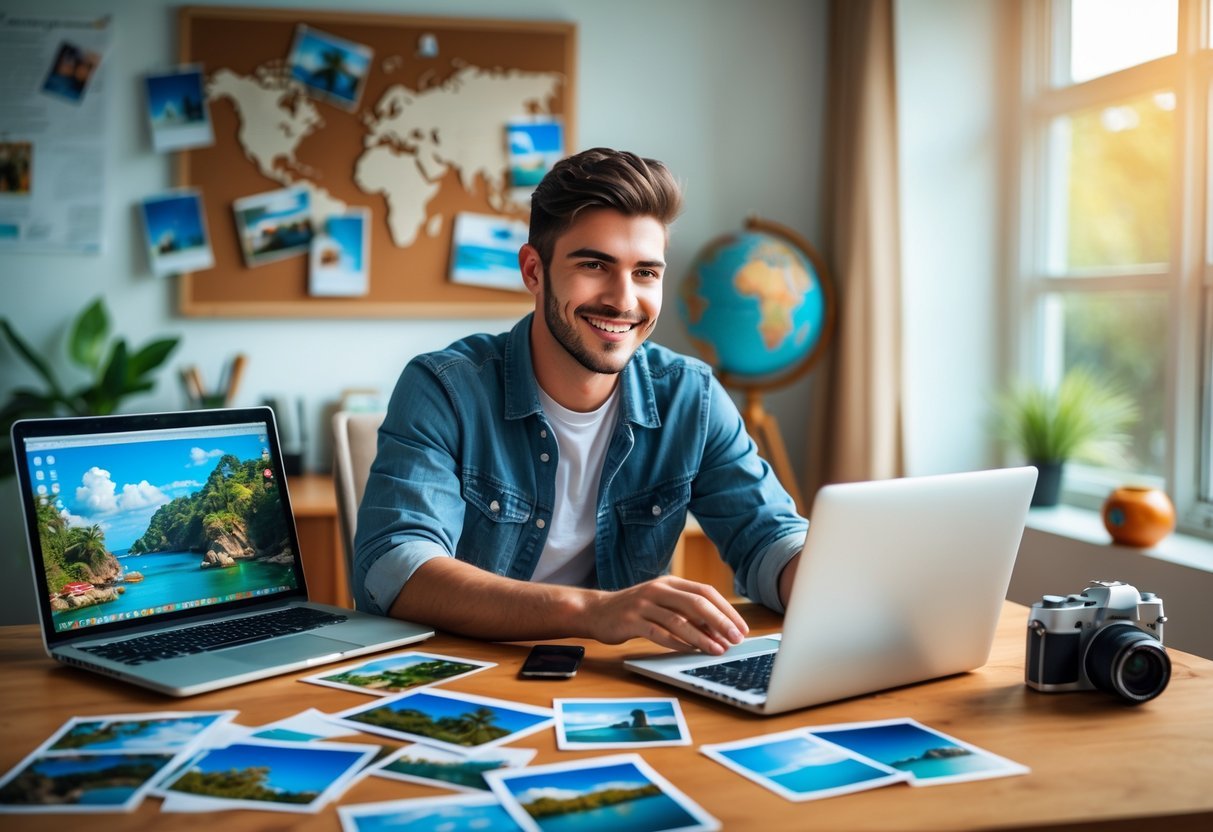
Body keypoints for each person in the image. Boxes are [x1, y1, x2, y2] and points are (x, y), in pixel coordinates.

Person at [353, 147, 807, 655]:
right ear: (533, 271)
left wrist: (823, 575)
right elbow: (396, 567)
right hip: (474, 678)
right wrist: (592, 611)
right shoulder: (444, 388)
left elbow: (769, 537)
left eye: (645, 273)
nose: (623, 300)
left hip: (616, 683)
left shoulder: (690, 395)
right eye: (595, 264)